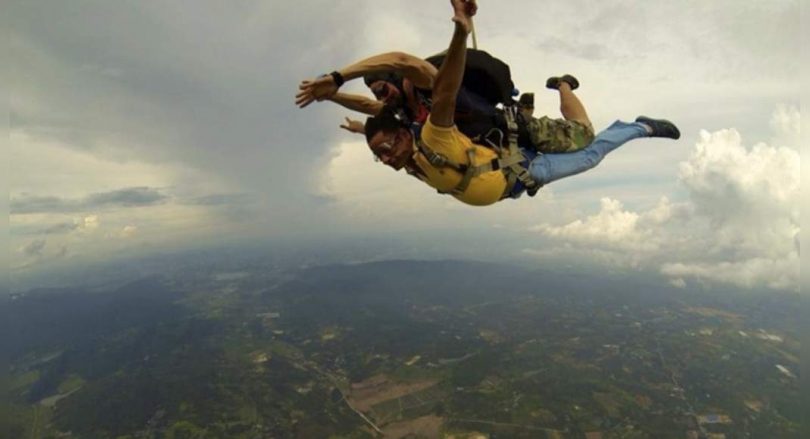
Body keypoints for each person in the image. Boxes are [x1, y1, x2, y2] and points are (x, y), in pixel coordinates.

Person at [360, 0, 679, 207]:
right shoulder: (408, 130)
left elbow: (429, 75)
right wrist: (353, 117)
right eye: (380, 155)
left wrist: (335, 79)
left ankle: (623, 118)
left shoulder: (430, 116)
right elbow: (376, 118)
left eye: (381, 88)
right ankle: (628, 122)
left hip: (519, 141)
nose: (385, 157)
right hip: (513, 162)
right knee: (589, 154)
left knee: (586, 140)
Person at [296, 49, 595, 154]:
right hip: (498, 143)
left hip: (517, 132)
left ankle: (563, 85)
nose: (380, 95)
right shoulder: (404, 109)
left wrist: (338, 77)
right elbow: (369, 108)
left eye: (382, 87)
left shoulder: (431, 83)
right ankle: (534, 101)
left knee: (583, 132)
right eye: (375, 91)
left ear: (399, 79)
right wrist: (334, 97)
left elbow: (401, 59)